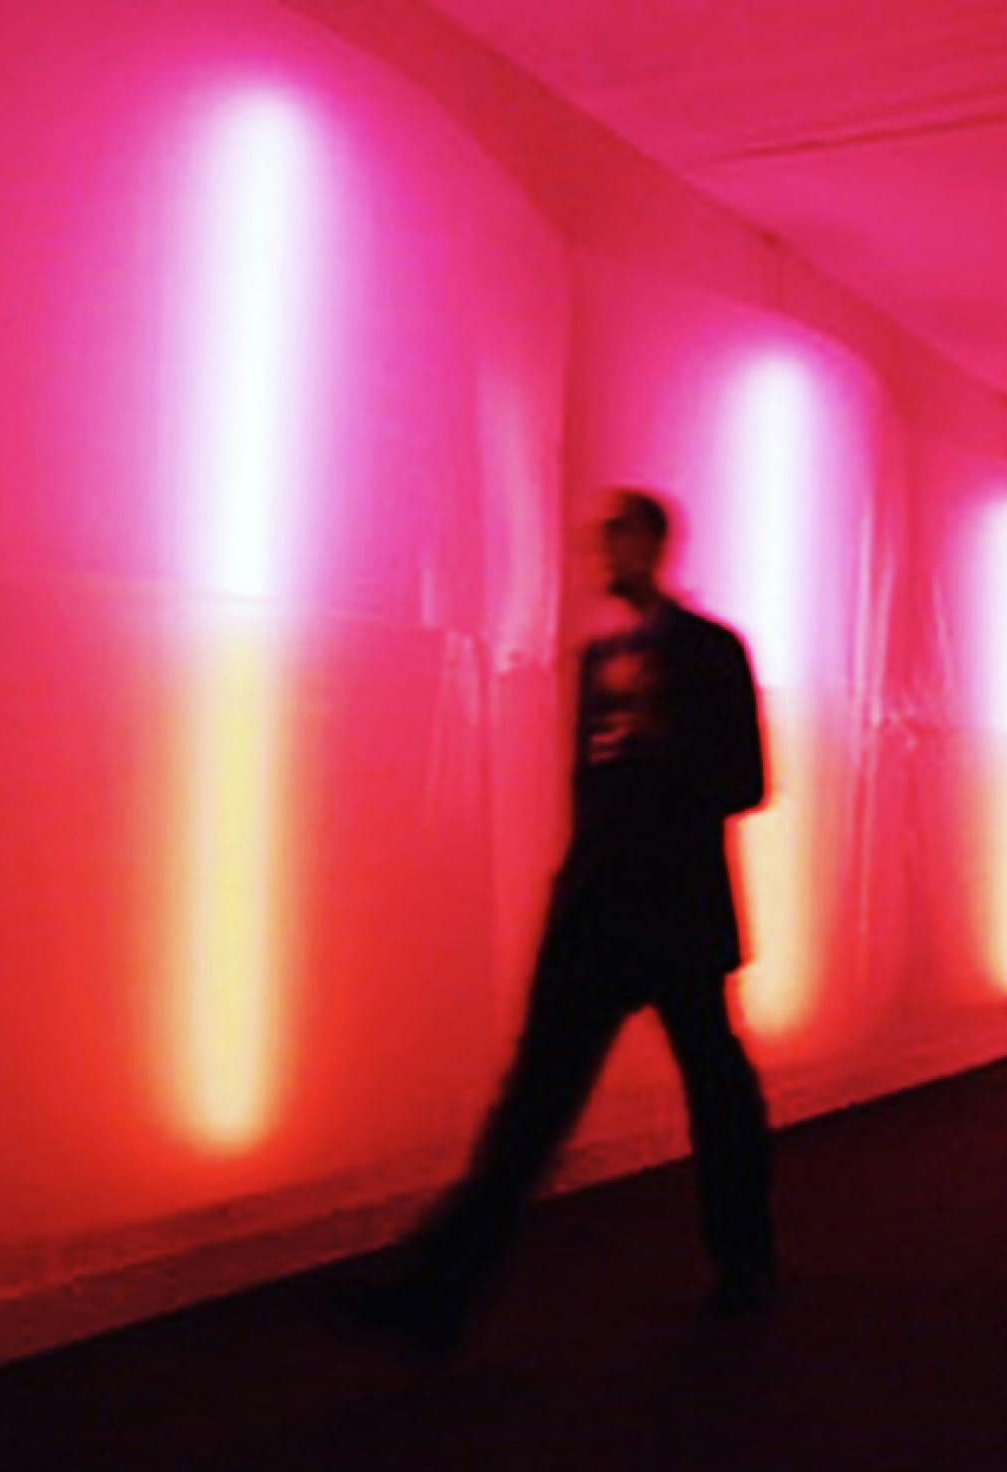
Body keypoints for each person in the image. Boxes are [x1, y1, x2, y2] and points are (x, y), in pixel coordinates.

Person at [365, 488, 777, 1355]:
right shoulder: (600, 661)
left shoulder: (711, 651)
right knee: (539, 1108)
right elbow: (594, 797)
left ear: (653, 543)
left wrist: (665, 743)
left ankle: (745, 1263)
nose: (603, 552)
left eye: (616, 536)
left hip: (672, 909)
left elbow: (746, 780)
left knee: (709, 1092)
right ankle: (434, 1294)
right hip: (599, 913)